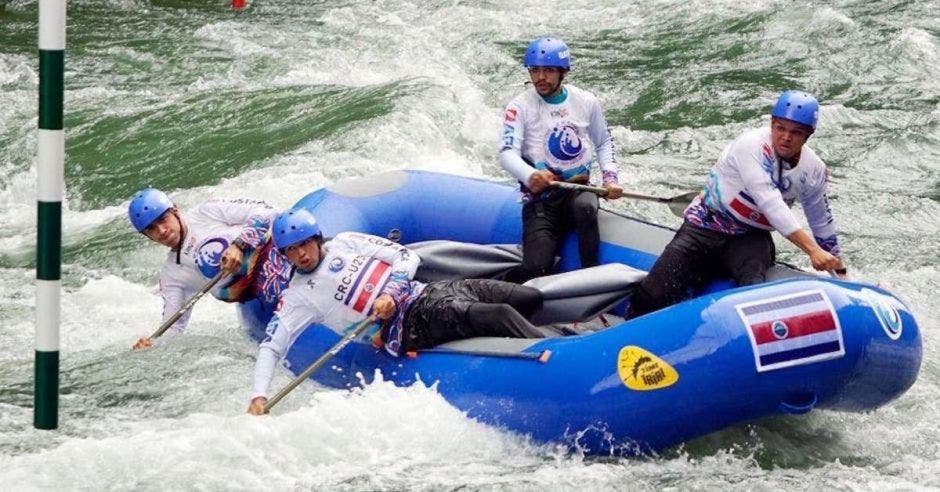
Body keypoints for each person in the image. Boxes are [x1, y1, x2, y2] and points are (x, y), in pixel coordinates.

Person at [247, 208, 546, 414]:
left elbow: (405, 257)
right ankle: (554, 353)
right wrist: (258, 396)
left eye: (303, 244)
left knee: (528, 297)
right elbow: (272, 347)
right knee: (500, 314)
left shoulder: (347, 242)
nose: (300, 254)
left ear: (316, 238)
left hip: (429, 291)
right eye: (290, 250)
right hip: (409, 324)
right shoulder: (299, 296)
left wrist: (391, 292)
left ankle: (552, 331)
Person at [626, 90, 847, 319]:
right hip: (705, 226)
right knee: (652, 295)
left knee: (752, 293)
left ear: (808, 136)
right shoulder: (751, 145)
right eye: (780, 128)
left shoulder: (815, 170)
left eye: (796, 133)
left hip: (750, 238)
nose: (786, 137)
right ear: (772, 124)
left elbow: (821, 220)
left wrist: (838, 269)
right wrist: (811, 250)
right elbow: (770, 202)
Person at [499, 36, 624, 283]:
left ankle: (591, 279)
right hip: (542, 199)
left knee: (586, 208)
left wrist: (610, 177)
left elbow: (603, 142)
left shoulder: (586, 101)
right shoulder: (519, 107)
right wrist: (530, 175)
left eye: (548, 70)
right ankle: (501, 285)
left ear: (562, 72)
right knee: (537, 268)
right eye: (535, 70)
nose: (540, 77)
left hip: (578, 188)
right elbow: (506, 153)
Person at [128, 188, 291, 349]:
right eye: (151, 229)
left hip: (285, 258)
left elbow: (268, 211)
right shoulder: (172, 276)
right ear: (147, 236)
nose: (161, 231)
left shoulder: (206, 212)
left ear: (175, 210)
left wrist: (240, 244)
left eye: (163, 219)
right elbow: (173, 328)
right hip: (263, 300)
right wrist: (152, 345)